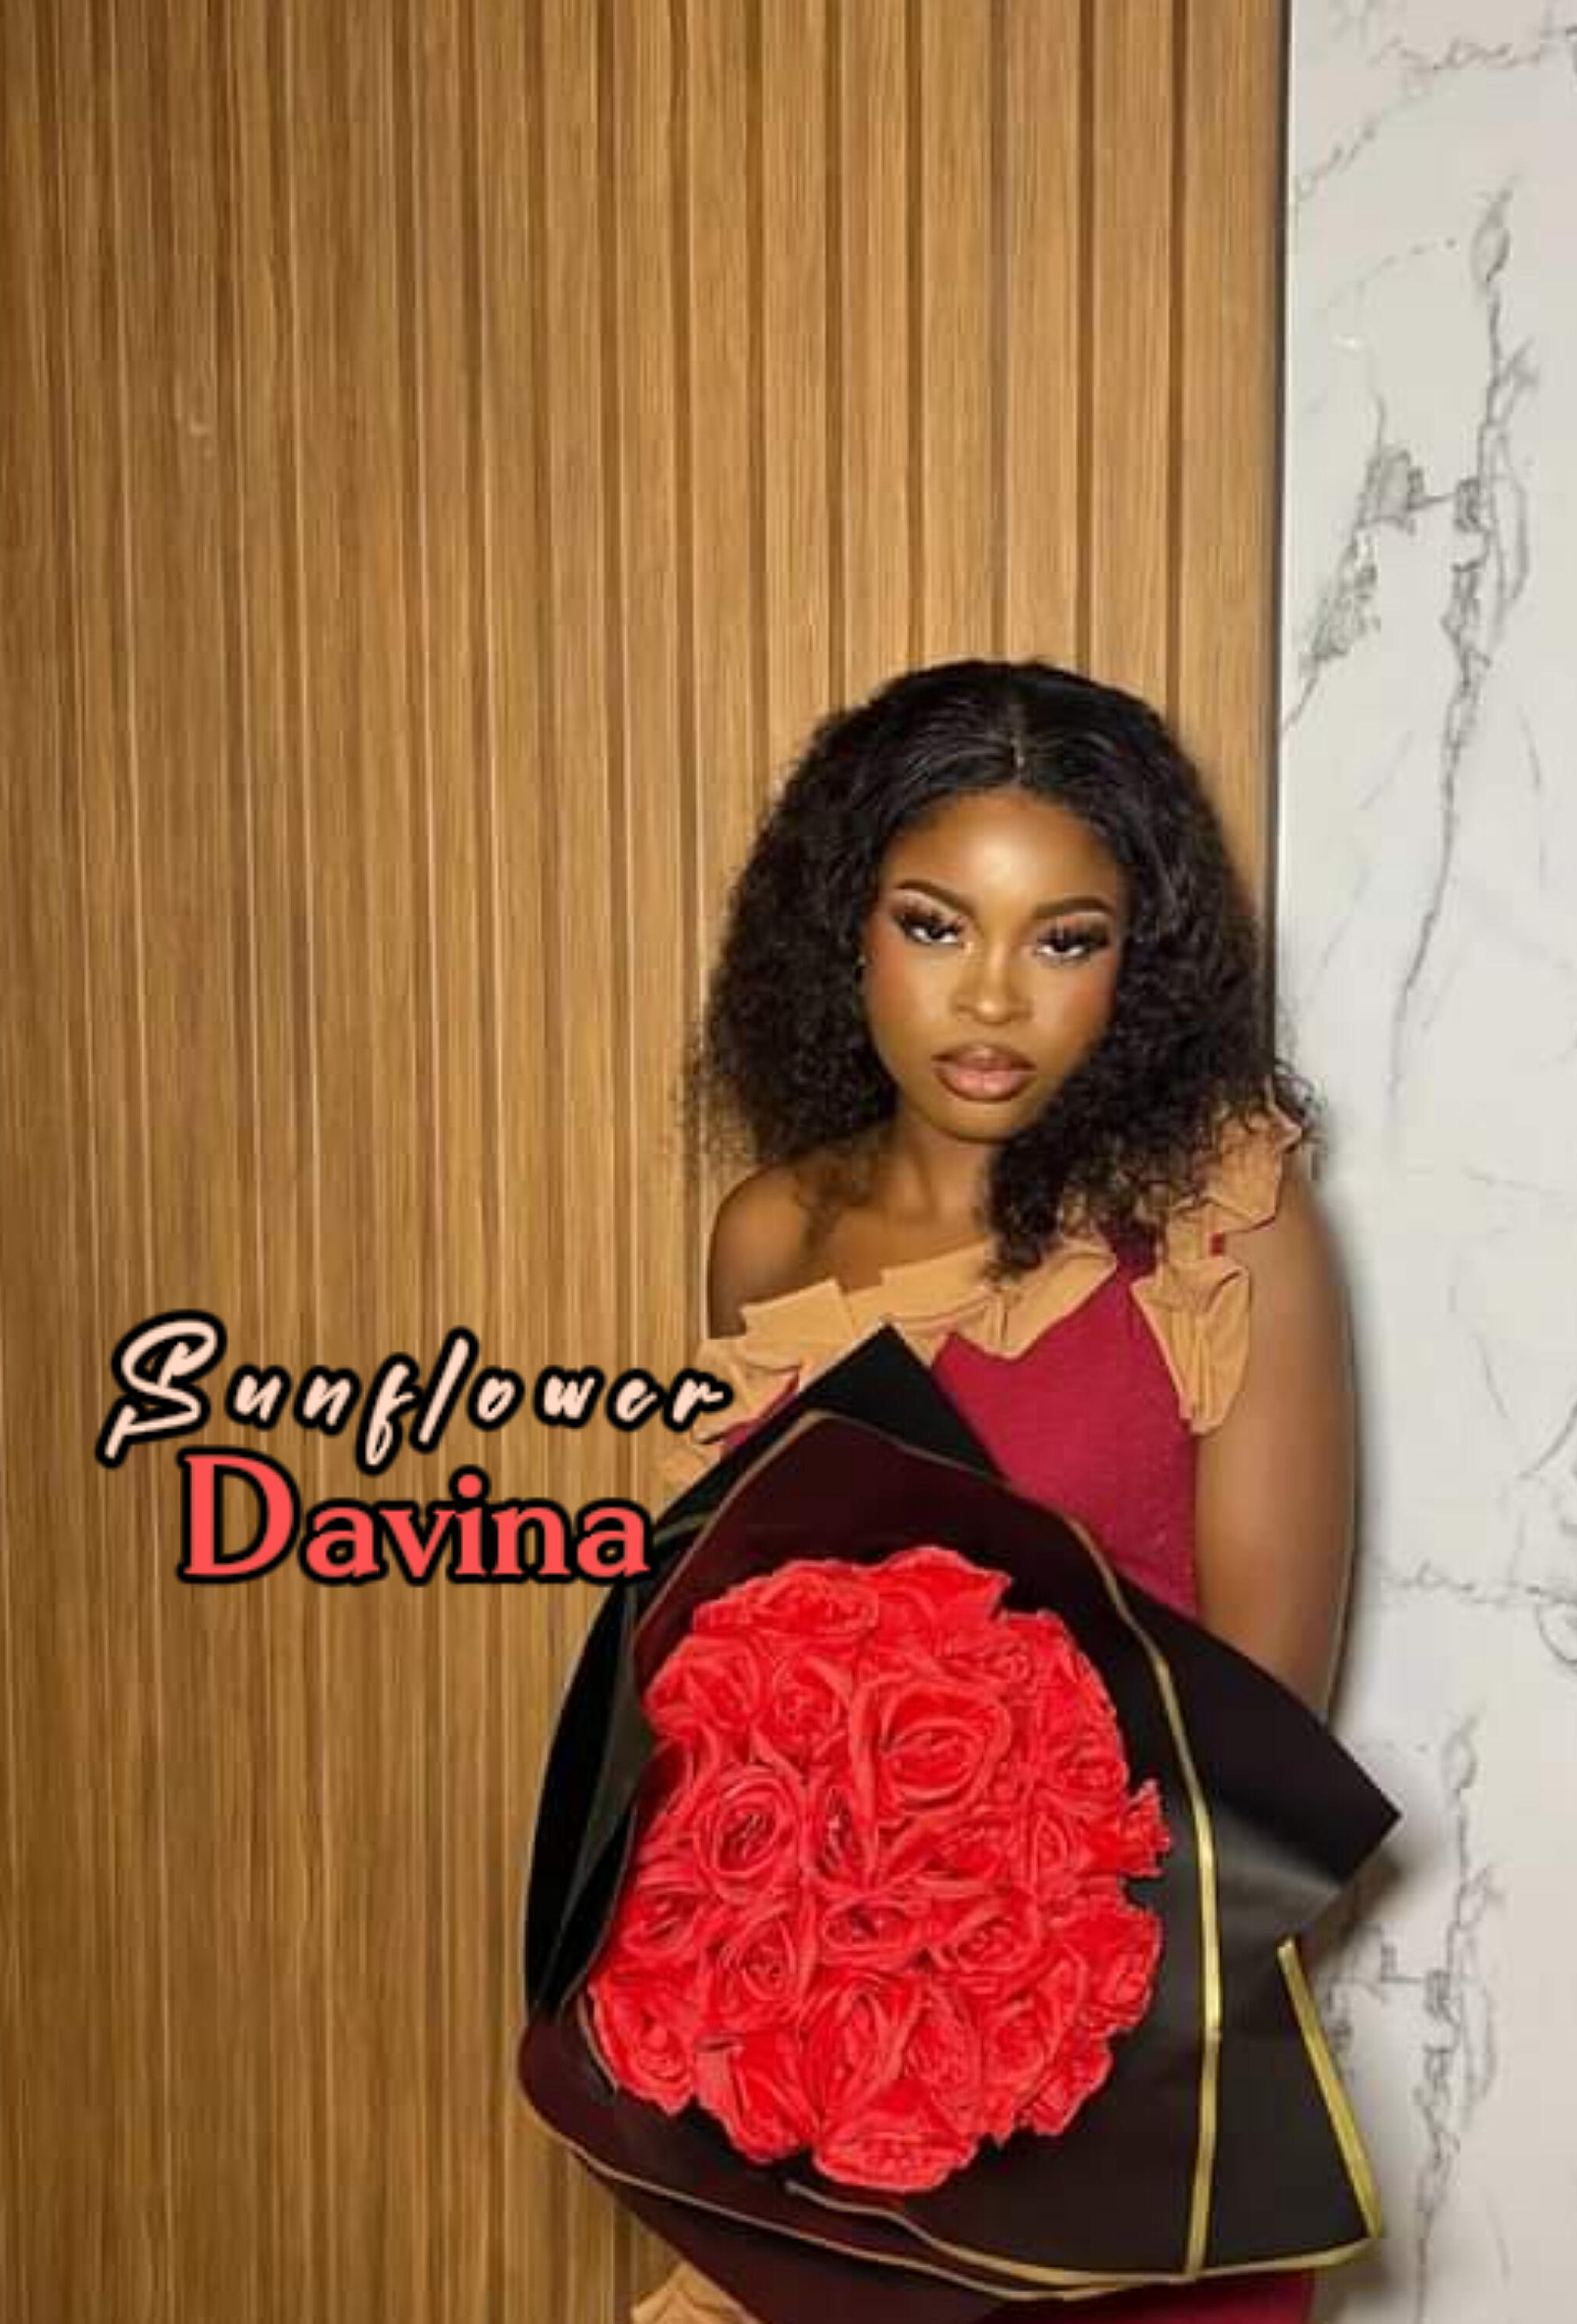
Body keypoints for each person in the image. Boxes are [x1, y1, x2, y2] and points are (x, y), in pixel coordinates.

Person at [634, 658, 1359, 2324]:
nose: (991, 999)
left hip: (1123, 2060)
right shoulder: (772, 1235)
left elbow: (1264, 1733)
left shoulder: (1219, 1220)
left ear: (1138, 963)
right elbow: (746, 1655)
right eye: (936, 925)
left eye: (1065, 940)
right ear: (847, 930)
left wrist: (999, 2020)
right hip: (819, 2058)